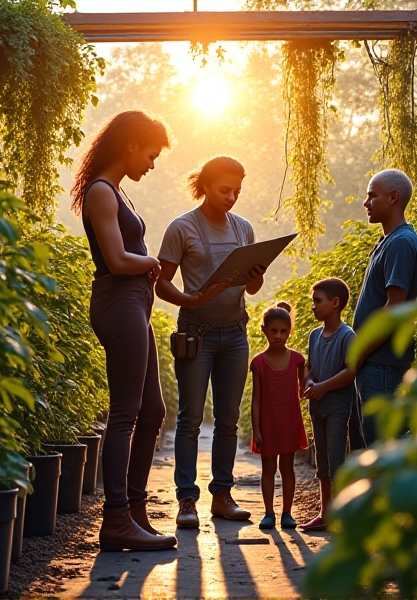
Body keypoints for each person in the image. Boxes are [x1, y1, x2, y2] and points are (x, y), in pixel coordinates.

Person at [71, 110, 177, 552]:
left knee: (153, 411)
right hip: (118, 302)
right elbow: (116, 260)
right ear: (131, 144)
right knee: (126, 413)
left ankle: (134, 511)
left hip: (135, 303)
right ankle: (115, 518)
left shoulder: (116, 192)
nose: (152, 164)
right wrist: (152, 262)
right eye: (151, 154)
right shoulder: (101, 192)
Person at [156, 155, 266, 528]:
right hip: (195, 332)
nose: (232, 197)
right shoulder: (181, 228)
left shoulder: (244, 229)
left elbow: (251, 287)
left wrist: (255, 277)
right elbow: (161, 283)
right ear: (204, 185)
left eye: (237, 191)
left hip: (235, 333)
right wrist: (191, 300)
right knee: (189, 419)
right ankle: (187, 501)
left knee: (228, 419)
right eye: (224, 190)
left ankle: (222, 496)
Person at [352, 168, 417, 447]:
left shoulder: (401, 243)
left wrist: (360, 351)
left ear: (393, 198)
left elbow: (394, 308)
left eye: (372, 196)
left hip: (382, 364)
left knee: (384, 449)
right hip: (375, 363)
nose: (366, 202)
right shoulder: (388, 241)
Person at [299, 277, 358, 531]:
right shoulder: (314, 336)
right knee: (322, 461)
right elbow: (309, 368)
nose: (313, 307)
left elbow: (350, 371)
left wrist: (323, 387)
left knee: (336, 460)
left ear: (335, 303)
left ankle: (341, 513)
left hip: (337, 406)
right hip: (317, 407)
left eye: (317, 301)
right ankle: (325, 513)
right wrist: (309, 382)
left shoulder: (347, 336)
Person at [249, 302, 309, 530]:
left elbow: (303, 388)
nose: (278, 336)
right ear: (264, 330)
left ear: (289, 331)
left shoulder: (297, 360)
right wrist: (256, 429)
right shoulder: (258, 363)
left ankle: (287, 513)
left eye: (283, 331)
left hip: (289, 422)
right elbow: (256, 398)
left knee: (287, 468)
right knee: (268, 468)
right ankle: (268, 513)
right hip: (268, 423)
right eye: (273, 331)